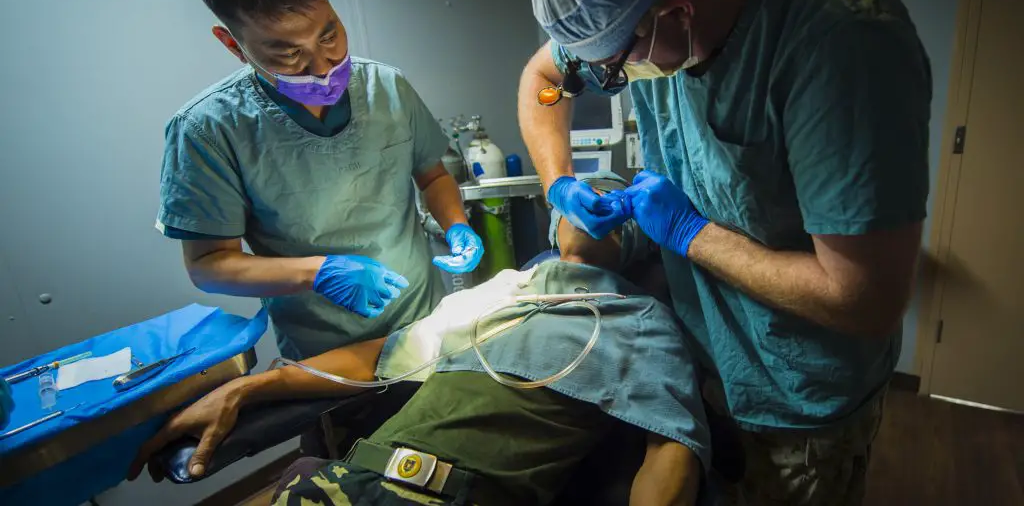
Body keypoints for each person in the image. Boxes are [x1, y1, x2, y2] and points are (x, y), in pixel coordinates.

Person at [520, 0, 931, 503]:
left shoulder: (841, 41)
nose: (608, 79)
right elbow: (543, 80)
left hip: (797, 403)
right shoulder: (640, 11)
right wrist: (559, 183)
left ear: (677, 11)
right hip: (700, 358)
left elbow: (866, 299)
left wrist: (693, 233)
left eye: (614, 65)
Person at [130, 177, 710, 506]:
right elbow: (377, 360)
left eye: (615, 205)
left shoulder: (639, 318)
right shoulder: (505, 292)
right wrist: (247, 390)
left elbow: (672, 448)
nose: (595, 205)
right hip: (341, 485)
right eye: (583, 196)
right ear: (557, 220)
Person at [157, 0, 484, 364]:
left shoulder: (387, 87)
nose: (323, 65)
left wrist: (457, 226)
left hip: (425, 325)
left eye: (329, 33)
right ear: (233, 45)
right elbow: (207, 265)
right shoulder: (208, 130)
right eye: (288, 53)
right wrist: (318, 273)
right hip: (327, 354)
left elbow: (432, 173)